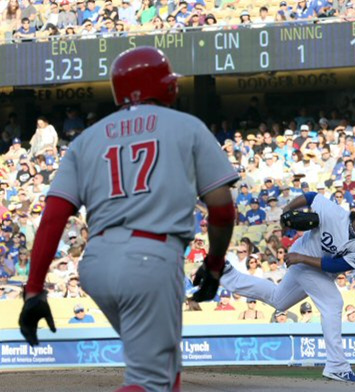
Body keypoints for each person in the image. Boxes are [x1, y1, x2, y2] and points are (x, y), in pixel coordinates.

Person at [18, 47, 238, 392]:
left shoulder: (86, 139)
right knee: (151, 382)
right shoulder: (186, 126)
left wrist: (34, 289)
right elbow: (222, 208)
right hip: (150, 258)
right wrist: (214, 265)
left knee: (163, 370)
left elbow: (54, 216)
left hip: (96, 263)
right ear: (165, 85)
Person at [221, 195, 355, 383]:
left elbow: (335, 266)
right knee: (333, 303)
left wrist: (301, 258)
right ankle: (337, 367)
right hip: (302, 256)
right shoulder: (334, 214)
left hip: (309, 262)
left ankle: (226, 274)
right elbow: (311, 197)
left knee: (278, 300)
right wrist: (287, 208)